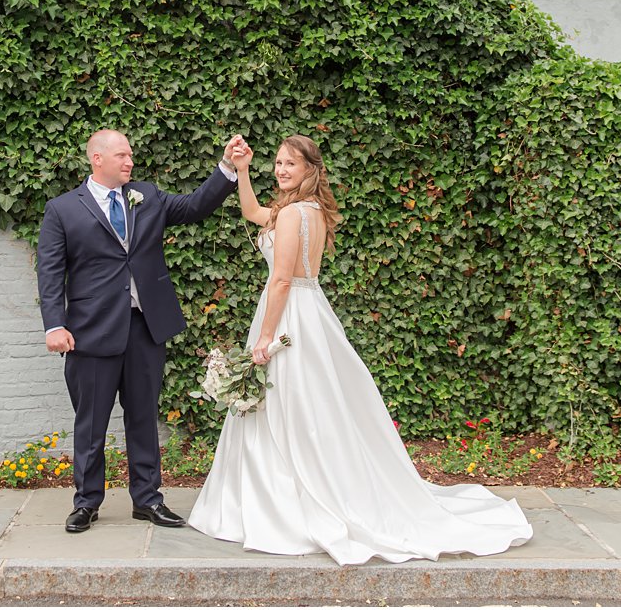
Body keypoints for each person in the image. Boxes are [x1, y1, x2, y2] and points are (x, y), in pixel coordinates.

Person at [187, 134, 533, 565]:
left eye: (290, 164)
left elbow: (279, 280)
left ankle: (286, 505)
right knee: (308, 405)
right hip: (308, 310)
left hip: (287, 315)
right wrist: (241, 171)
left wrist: (264, 338)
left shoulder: (294, 212)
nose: (280, 170)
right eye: (277, 163)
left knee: (287, 405)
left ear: (310, 169)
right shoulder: (306, 210)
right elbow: (253, 212)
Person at [38, 129, 240, 533]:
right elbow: (50, 270)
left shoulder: (146, 195)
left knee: (144, 418)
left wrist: (228, 169)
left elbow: (195, 207)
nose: (130, 161)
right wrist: (55, 324)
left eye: (130, 155)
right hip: (90, 332)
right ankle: (87, 502)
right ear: (97, 159)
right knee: (91, 422)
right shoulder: (62, 209)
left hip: (145, 328)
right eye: (122, 155)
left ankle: (148, 500)